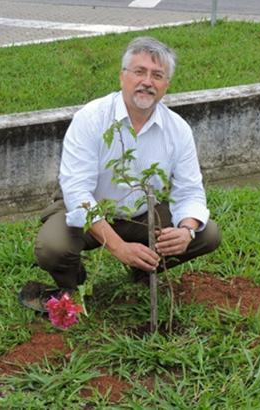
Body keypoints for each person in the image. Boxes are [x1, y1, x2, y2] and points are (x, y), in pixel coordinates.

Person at [22, 37, 221, 311]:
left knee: (206, 233)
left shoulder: (178, 129)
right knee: (53, 246)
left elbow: (189, 190)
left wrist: (186, 229)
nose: (147, 82)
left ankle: (144, 270)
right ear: (122, 77)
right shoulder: (91, 119)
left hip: (143, 214)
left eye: (157, 75)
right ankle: (73, 282)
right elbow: (78, 193)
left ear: (166, 86)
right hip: (90, 210)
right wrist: (118, 248)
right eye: (139, 72)